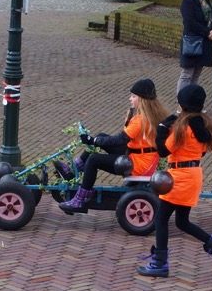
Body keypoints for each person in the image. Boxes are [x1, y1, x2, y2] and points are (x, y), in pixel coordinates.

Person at [137, 84, 212, 278]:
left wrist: (163, 128)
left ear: (183, 104)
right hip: (193, 174)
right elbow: (203, 150)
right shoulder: (203, 123)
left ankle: (160, 263)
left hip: (179, 176)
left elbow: (164, 150)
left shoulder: (183, 126)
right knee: (182, 221)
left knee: (161, 219)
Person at [58, 79, 168, 214]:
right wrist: (97, 140)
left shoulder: (140, 120)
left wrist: (93, 141)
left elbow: (120, 139)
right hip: (137, 156)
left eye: (133, 96)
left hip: (138, 165)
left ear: (142, 100)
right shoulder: (148, 116)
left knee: (94, 160)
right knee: (102, 135)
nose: (130, 99)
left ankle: (80, 200)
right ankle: (75, 167)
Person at [178, 0, 212, 96]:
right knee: (187, 74)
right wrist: (206, 32)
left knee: (196, 75)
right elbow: (190, 22)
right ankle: (182, 102)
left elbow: (210, 19)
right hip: (192, 41)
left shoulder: (206, 2)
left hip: (204, 42)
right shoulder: (188, 2)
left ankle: (191, 103)